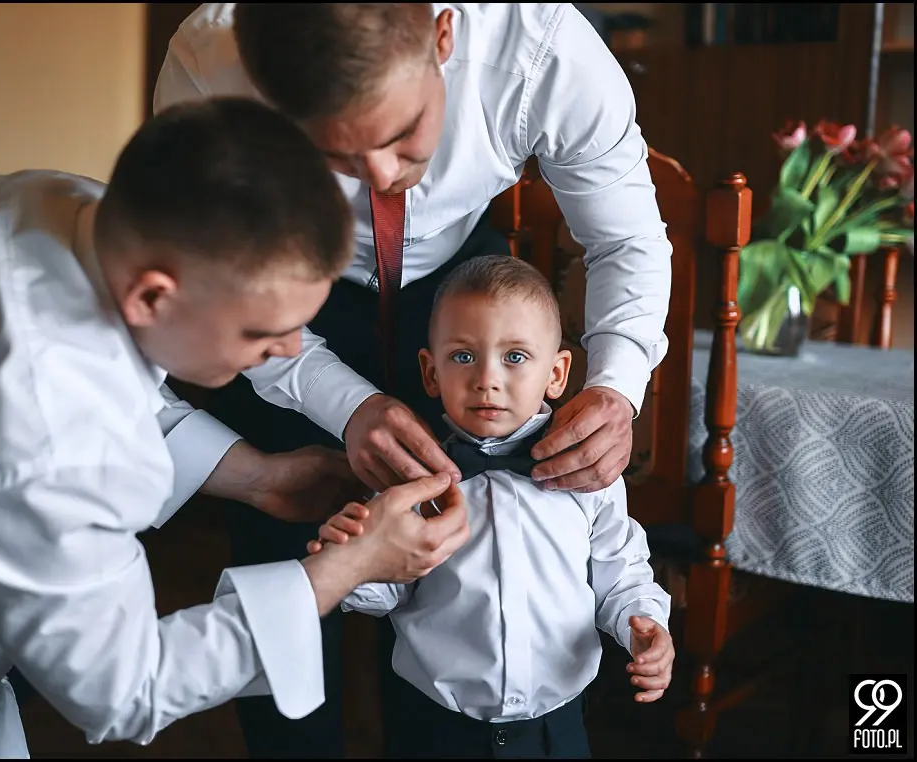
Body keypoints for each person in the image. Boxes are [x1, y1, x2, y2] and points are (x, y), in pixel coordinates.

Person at [0, 96, 471, 760]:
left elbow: (99, 380)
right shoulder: (41, 439)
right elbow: (126, 689)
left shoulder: (42, 202)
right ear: (153, 296)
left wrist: (260, 477)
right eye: (266, 332)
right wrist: (347, 567)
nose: (292, 350)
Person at [151, 3, 673, 757]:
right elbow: (225, 284)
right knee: (282, 539)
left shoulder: (544, 46)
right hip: (289, 284)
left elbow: (626, 237)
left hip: (457, 293)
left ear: (443, 36)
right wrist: (344, 404)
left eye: (400, 136)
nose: (380, 178)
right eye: (332, 155)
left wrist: (619, 385)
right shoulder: (209, 70)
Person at [311, 255, 675, 759]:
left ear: (557, 373)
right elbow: (386, 594)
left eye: (515, 357)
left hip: (557, 728)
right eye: (463, 357)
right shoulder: (407, 478)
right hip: (435, 729)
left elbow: (622, 573)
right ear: (430, 371)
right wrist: (351, 559)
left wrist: (644, 622)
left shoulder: (589, 475)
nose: (487, 379)